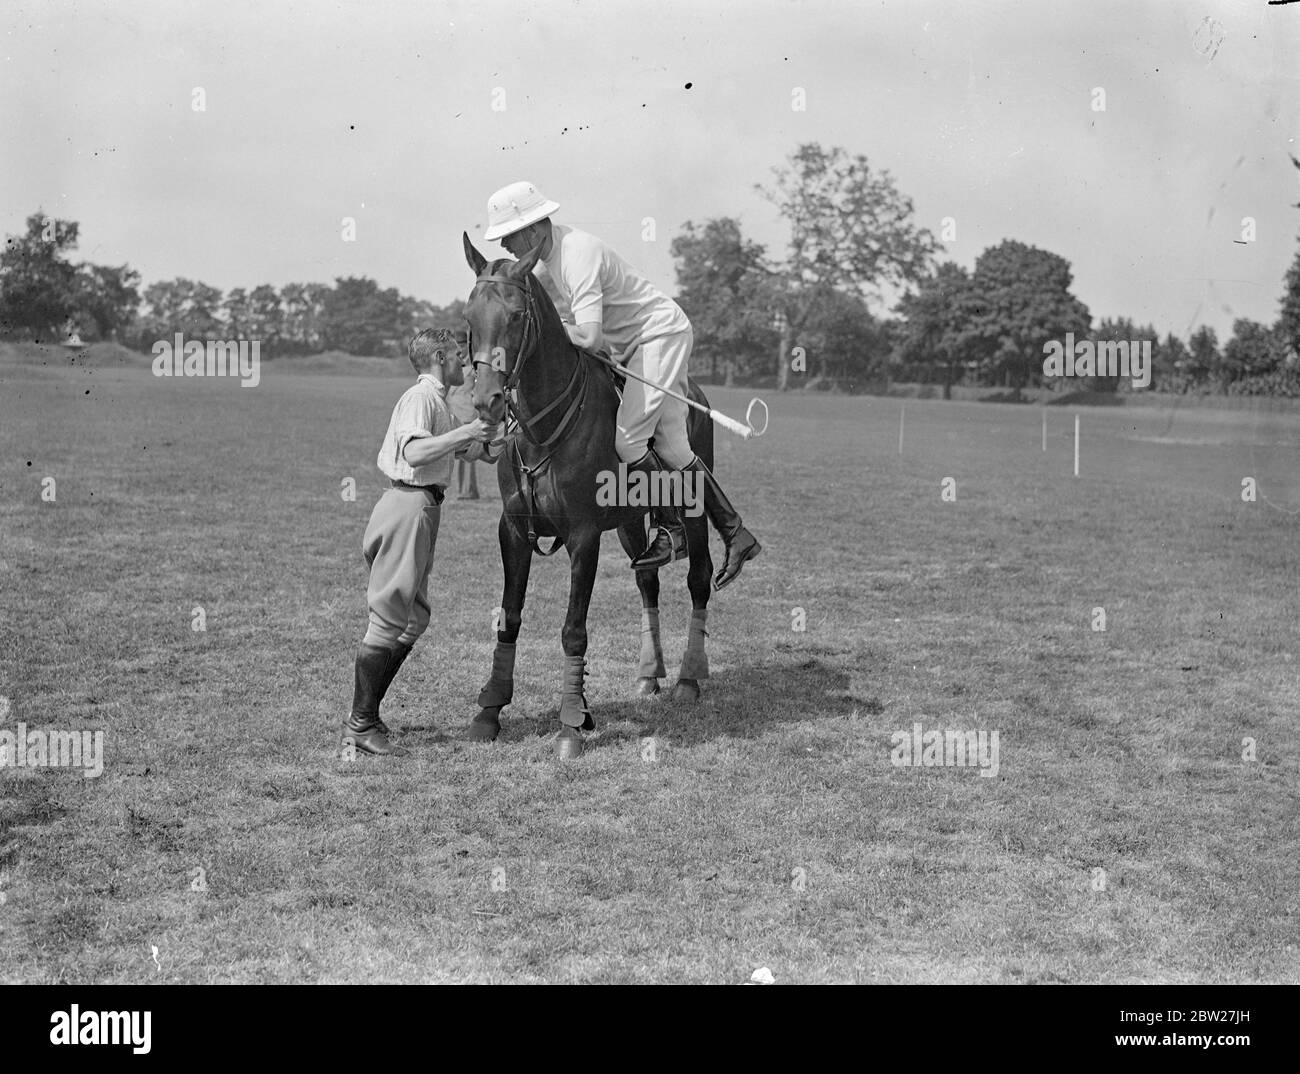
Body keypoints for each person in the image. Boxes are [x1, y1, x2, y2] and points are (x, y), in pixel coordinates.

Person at [481, 180, 760, 589]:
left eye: (509, 235)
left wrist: (553, 330)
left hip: (658, 336)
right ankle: (737, 534)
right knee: (676, 446)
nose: (505, 245)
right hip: (636, 343)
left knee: (629, 442)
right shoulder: (551, 254)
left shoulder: (576, 255)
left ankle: (671, 525)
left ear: (535, 229)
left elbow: (590, 338)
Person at [341, 328, 500, 756]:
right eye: (458, 357)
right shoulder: (422, 398)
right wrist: (465, 432)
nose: (464, 365)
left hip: (422, 508)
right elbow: (414, 453)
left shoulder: (439, 403)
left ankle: (369, 714)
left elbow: (469, 452)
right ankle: (360, 724)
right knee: (391, 616)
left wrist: (494, 438)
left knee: (413, 619)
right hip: (407, 506)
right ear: (438, 357)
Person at [446, 329, 481, 499]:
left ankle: (469, 490)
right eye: (456, 345)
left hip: (467, 414)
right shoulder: (451, 364)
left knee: (468, 455)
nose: (459, 348)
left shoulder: (474, 365)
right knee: (455, 455)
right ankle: (459, 489)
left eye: (461, 344)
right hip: (453, 413)